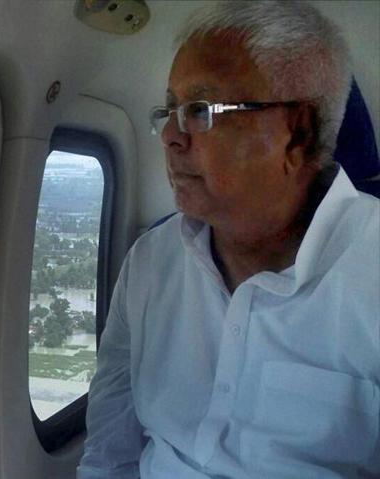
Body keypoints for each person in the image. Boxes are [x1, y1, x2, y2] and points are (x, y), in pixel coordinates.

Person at [77, 1, 380, 478]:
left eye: (199, 111)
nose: (171, 137)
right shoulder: (150, 262)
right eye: (169, 110)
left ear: (296, 133)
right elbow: (110, 444)